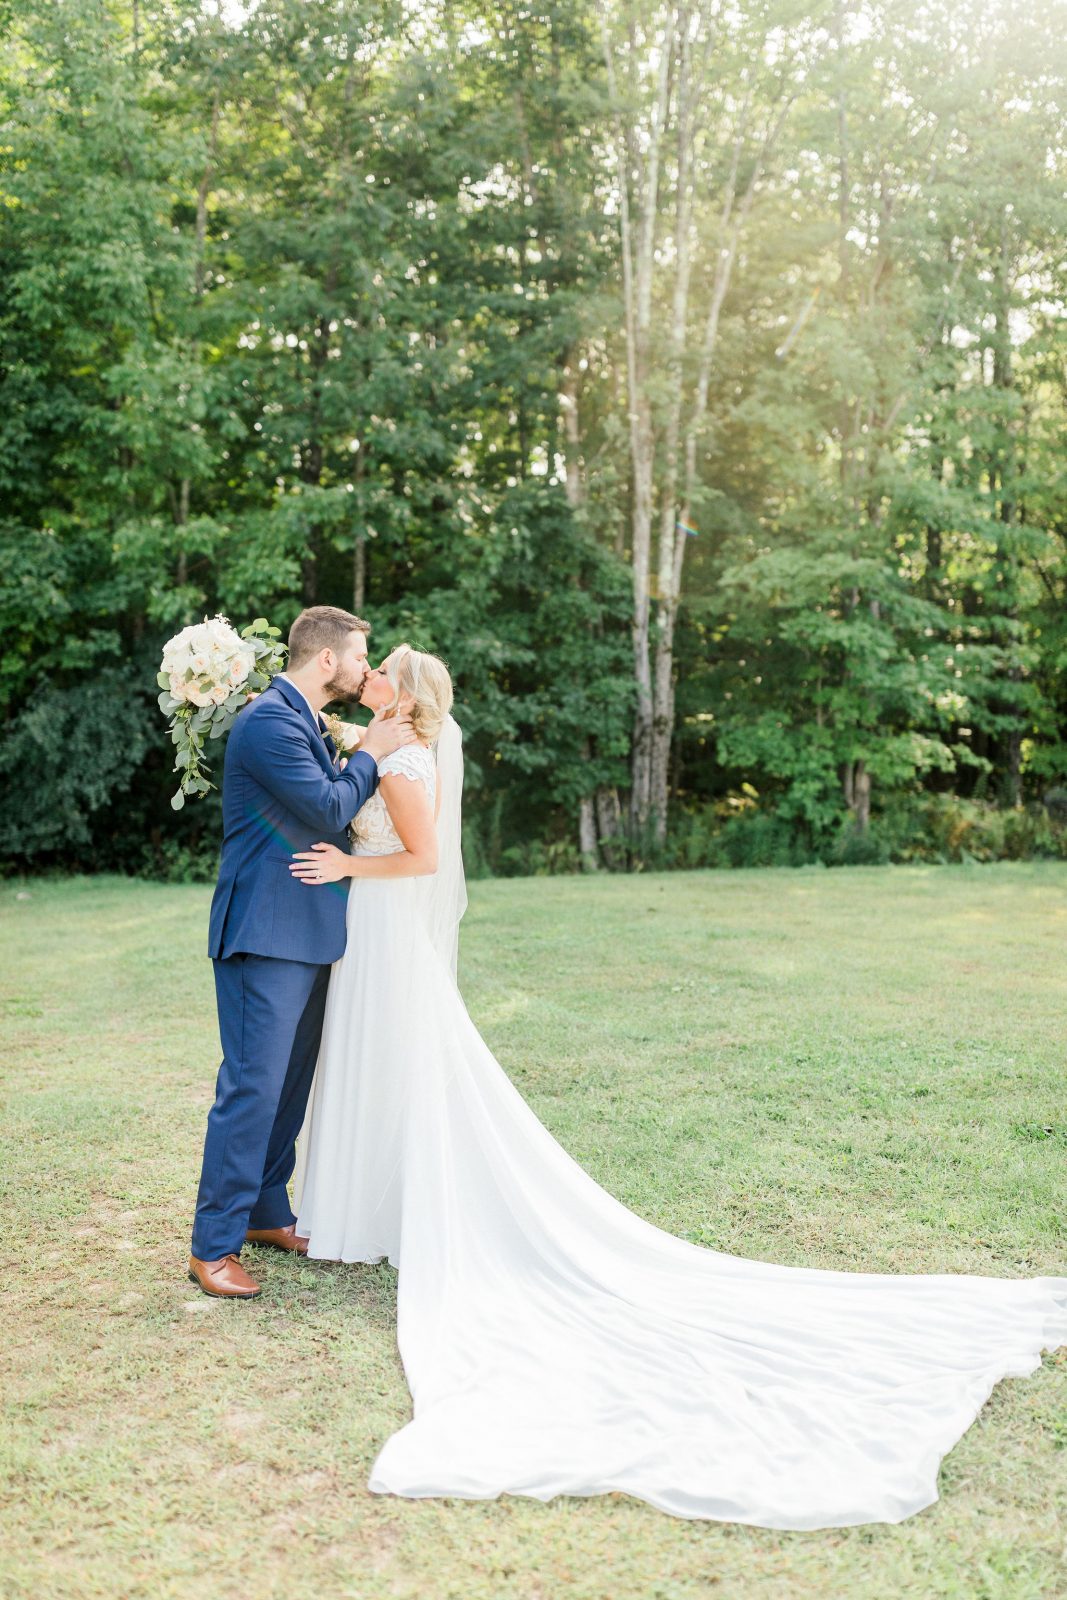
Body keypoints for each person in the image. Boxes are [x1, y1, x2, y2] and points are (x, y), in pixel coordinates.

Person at [283, 644, 1067, 1531]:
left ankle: (397, 1212)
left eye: (381, 668)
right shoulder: (382, 741)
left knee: (410, 1074)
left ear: (407, 695)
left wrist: (349, 865)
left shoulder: (407, 756)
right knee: (381, 1073)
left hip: (386, 928)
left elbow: (420, 859)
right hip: (372, 936)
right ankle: (369, 1212)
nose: (369, 676)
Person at [187, 605, 417, 1300]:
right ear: (327, 660)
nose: (361, 669)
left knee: (289, 1084)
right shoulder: (269, 723)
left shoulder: (299, 717)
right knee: (253, 1086)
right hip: (265, 931)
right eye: (357, 657)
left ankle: (264, 1213)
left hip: (309, 928)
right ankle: (212, 1246)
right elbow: (326, 807)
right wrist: (374, 748)